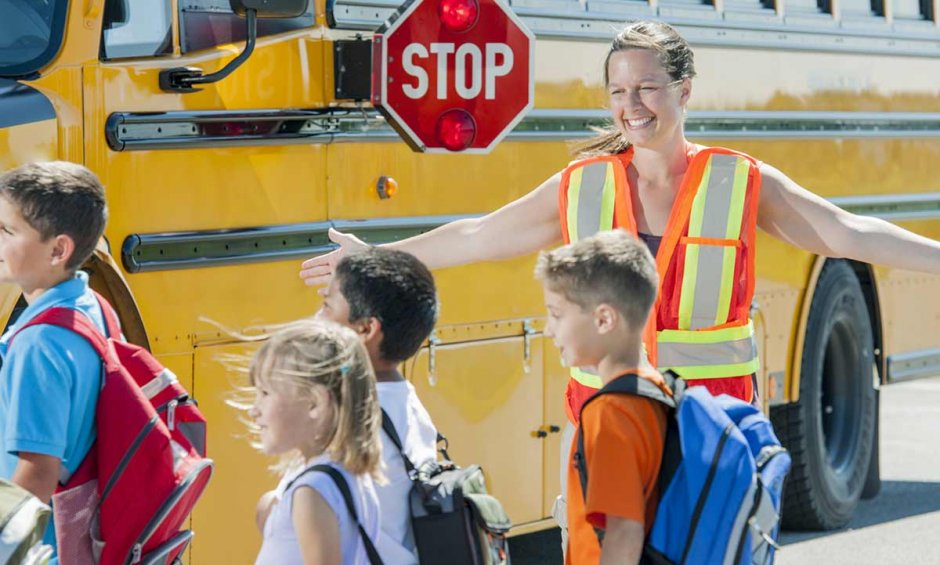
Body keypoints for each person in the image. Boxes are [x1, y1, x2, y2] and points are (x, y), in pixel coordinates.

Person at [300, 17, 940, 549]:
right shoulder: (585, 182)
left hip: (706, 428)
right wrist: (375, 254)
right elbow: (479, 236)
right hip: (603, 423)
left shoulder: (740, 181)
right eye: (617, 92)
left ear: (685, 90)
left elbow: (847, 232)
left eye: (648, 89)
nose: (631, 106)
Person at [0, 161, 110, 561]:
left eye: (7, 231)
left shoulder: (38, 343)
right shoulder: (90, 305)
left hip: (41, 550)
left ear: (58, 249)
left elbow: (37, 471)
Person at [536, 229, 668, 565]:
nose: (549, 329)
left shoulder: (610, 415)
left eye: (557, 314)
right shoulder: (657, 393)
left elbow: (622, 534)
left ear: (604, 319)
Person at [315, 247, 439, 564]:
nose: (318, 318)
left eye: (327, 306)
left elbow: (311, 518)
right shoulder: (408, 404)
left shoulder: (349, 420)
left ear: (366, 329)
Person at [249, 320, 383, 565]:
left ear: (315, 403)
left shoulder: (311, 491)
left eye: (265, 393)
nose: (253, 410)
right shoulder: (348, 474)